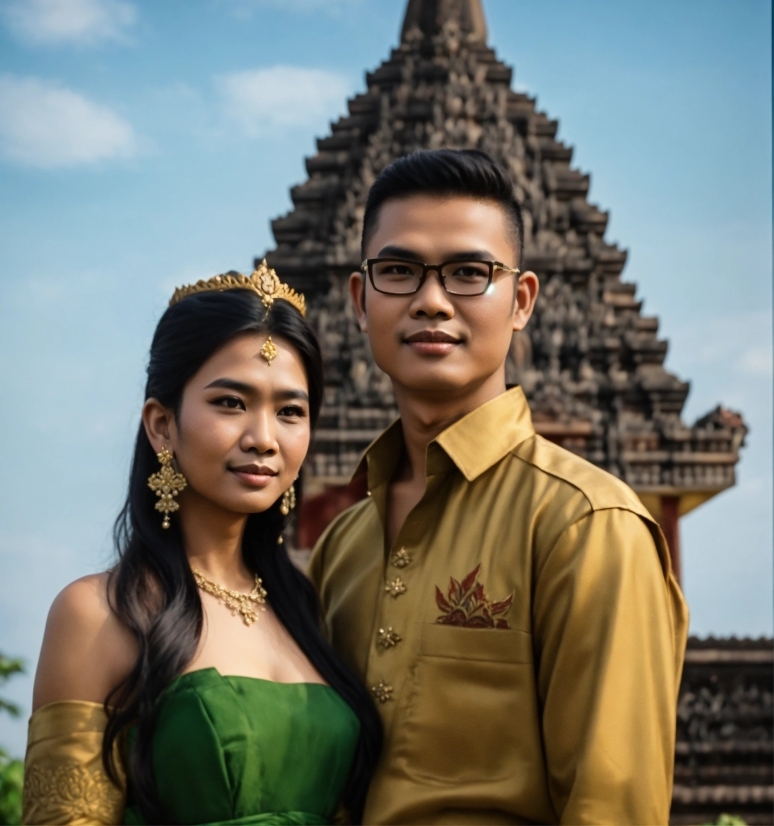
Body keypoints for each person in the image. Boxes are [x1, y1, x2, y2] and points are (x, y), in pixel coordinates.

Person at [308, 149, 689, 825]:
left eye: (467, 273)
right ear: (361, 303)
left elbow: (614, 809)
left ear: (521, 301)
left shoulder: (587, 524)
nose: (430, 300)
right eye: (398, 271)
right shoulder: (342, 545)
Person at [23, 263, 382, 825]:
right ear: (162, 425)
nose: (264, 438)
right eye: (231, 403)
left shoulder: (313, 610)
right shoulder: (98, 614)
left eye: (290, 411)